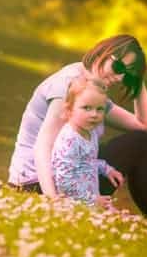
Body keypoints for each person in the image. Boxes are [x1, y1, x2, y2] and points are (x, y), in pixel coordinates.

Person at [8, 34, 147, 220]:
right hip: (40, 183)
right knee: (139, 143)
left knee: (139, 141)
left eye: (127, 73)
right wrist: (53, 200)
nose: (119, 77)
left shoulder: (90, 91)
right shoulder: (67, 85)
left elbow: (145, 126)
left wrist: (138, 81)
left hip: (72, 175)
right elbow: (43, 146)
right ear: (104, 52)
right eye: (118, 67)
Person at [51, 76, 122, 210]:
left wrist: (106, 169)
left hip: (90, 197)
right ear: (69, 109)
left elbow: (87, 162)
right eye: (87, 108)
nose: (94, 114)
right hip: (73, 203)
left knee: (120, 219)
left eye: (99, 109)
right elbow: (64, 182)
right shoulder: (69, 140)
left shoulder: (90, 133)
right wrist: (91, 200)